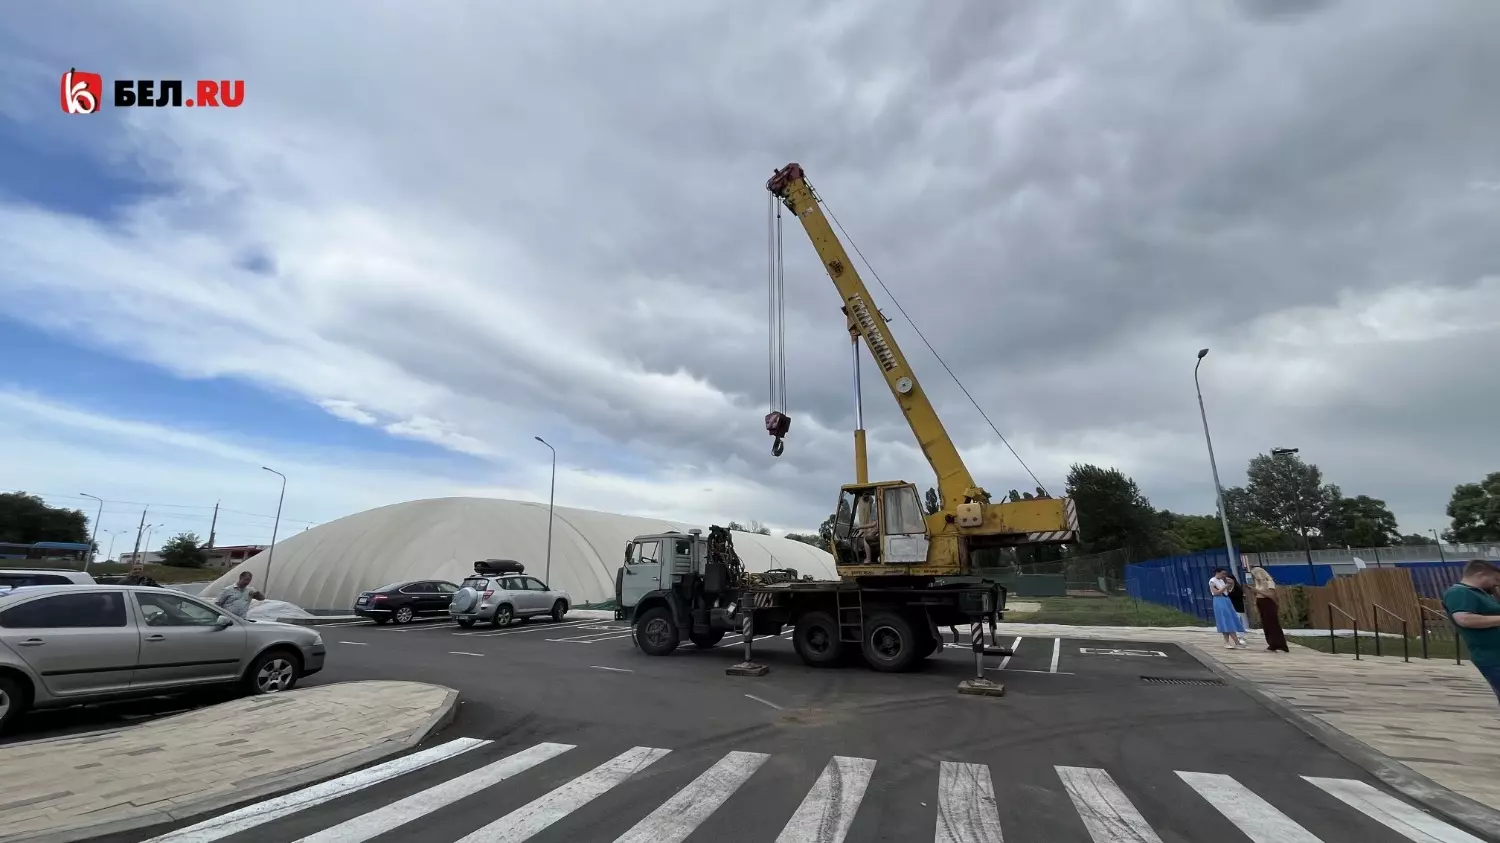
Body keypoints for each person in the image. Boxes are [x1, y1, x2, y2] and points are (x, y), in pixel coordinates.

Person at [1442, 559, 1500, 704]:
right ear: (1480, 574)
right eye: (1495, 580)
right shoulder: (1459, 592)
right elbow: (1464, 619)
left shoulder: (1482, 594)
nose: (1496, 584)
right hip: (1492, 658)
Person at [1249, 566, 1289, 652]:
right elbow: (1257, 593)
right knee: (1266, 624)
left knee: (1273, 624)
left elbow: (1271, 595)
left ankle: (1280, 644)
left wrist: (1257, 591)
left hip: (1268, 603)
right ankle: (1272, 643)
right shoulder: (1258, 583)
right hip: (1261, 603)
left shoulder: (1269, 582)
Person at [1210, 567, 1246, 649]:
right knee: (1224, 620)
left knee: (1230, 619)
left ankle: (1236, 641)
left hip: (1226, 600)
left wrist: (1231, 585)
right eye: (1222, 574)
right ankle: (1227, 642)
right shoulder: (1212, 581)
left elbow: (1227, 591)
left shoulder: (1222, 581)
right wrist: (1226, 586)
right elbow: (1215, 593)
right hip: (1219, 600)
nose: (1224, 575)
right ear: (1217, 573)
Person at [1223, 570, 1249, 647]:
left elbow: (1237, 596)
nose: (1228, 581)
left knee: (1237, 620)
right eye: (1227, 580)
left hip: (1237, 606)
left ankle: (1241, 635)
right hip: (1230, 607)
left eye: (1229, 579)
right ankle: (1237, 635)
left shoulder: (1237, 588)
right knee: (1233, 621)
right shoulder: (1227, 587)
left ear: (1233, 580)